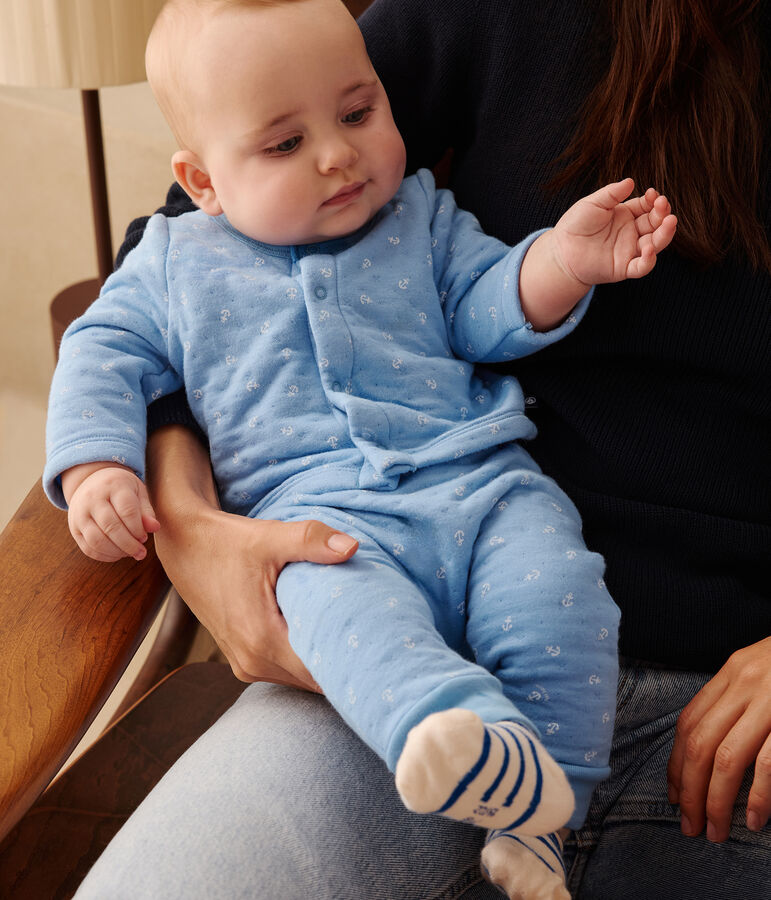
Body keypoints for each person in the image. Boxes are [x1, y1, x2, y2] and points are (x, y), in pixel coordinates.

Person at [70, 0, 770, 897]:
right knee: (347, 622)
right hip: (354, 565)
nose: (336, 154)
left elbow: (489, 297)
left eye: (360, 117)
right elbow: (132, 310)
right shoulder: (212, 227)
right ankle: (448, 729)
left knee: (560, 599)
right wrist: (170, 512)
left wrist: (559, 260)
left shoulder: (420, 220)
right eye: (291, 144)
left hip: (552, 554)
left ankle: (536, 818)